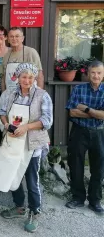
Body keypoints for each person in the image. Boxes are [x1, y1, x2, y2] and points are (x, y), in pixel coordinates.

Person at [0, 63, 53, 233]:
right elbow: (1, 112)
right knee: (13, 175)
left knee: (32, 180)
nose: (27, 80)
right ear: (18, 77)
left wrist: (26, 127)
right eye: (24, 77)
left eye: (30, 77)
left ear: (34, 79)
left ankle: (35, 211)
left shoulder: (42, 95)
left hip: (32, 144)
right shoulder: (9, 94)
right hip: (12, 141)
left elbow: (47, 121)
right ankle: (19, 207)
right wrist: (6, 125)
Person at [65, 60, 104, 214]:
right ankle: (78, 198)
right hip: (79, 131)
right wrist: (96, 113)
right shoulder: (78, 89)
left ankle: (95, 201)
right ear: (88, 74)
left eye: (99, 73)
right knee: (76, 165)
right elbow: (72, 112)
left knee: (98, 168)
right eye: (93, 72)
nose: (96, 76)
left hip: (99, 132)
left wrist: (86, 109)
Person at [0, 27, 44, 91]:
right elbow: (3, 78)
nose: (14, 39)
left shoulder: (31, 52)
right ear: (8, 39)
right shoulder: (6, 55)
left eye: (17, 36)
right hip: (10, 95)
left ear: (22, 38)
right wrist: (3, 94)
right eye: (11, 36)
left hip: (28, 96)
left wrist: (38, 96)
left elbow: (39, 75)